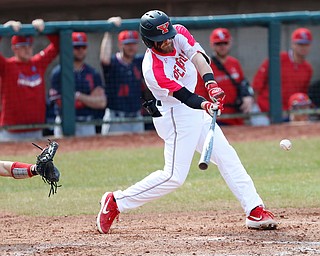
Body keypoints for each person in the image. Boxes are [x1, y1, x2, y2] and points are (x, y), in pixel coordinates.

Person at [96, 10, 277, 234]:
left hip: (194, 111)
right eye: (163, 41)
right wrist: (206, 104)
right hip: (174, 115)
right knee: (174, 176)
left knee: (227, 156)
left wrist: (211, 84)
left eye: (169, 36)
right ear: (150, 42)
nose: (170, 42)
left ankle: (254, 209)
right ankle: (116, 201)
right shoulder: (153, 69)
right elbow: (185, 97)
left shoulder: (178, 32)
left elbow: (198, 58)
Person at [0, 19, 59, 142]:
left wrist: (45, 29)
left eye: (29, 46)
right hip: (11, 131)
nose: (27, 50)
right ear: (14, 49)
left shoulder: (38, 63)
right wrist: (4, 31)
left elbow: (58, 46)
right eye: (23, 46)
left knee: (37, 161)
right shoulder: (7, 65)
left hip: (36, 129)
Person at [49, 32, 106, 137]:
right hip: (64, 122)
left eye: (83, 47)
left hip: (87, 122)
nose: (80, 50)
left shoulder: (92, 73)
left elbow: (101, 103)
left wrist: (77, 96)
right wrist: (89, 99)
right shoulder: (58, 72)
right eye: (76, 47)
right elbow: (59, 102)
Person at [252, 27, 313, 124]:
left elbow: (301, 95)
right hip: (263, 110)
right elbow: (257, 85)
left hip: (287, 113)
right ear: (293, 44)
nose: (303, 47)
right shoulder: (278, 59)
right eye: (300, 44)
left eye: (306, 44)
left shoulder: (308, 68)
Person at [195, 28, 254, 125]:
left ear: (230, 43)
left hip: (237, 116)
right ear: (212, 45)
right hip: (216, 118)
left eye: (225, 43)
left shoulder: (234, 63)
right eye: (218, 44)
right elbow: (200, 96)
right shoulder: (205, 66)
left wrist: (247, 96)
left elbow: (243, 84)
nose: (222, 47)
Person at [100, 26, 149, 135]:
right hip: (116, 116)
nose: (131, 47)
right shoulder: (113, 62)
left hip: (136, 117)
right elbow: (104, 59)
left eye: (133, 44)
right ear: (120, 45)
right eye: (127, 44)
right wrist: (108, 31)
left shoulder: (139, 61)